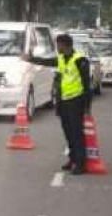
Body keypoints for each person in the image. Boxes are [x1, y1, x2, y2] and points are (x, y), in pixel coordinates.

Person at [25, 34, 94, 175]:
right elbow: (47, 62)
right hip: (63, 101)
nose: (57, 48)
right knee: (68, 132)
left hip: (76, 101)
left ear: (65, 45)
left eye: (58, 45)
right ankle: (73, 159)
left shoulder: (80, 60)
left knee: (77, 133)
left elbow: (87, 85)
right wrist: (30, 58)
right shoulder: (61, 59)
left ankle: (81, 163)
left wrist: (87, 107)